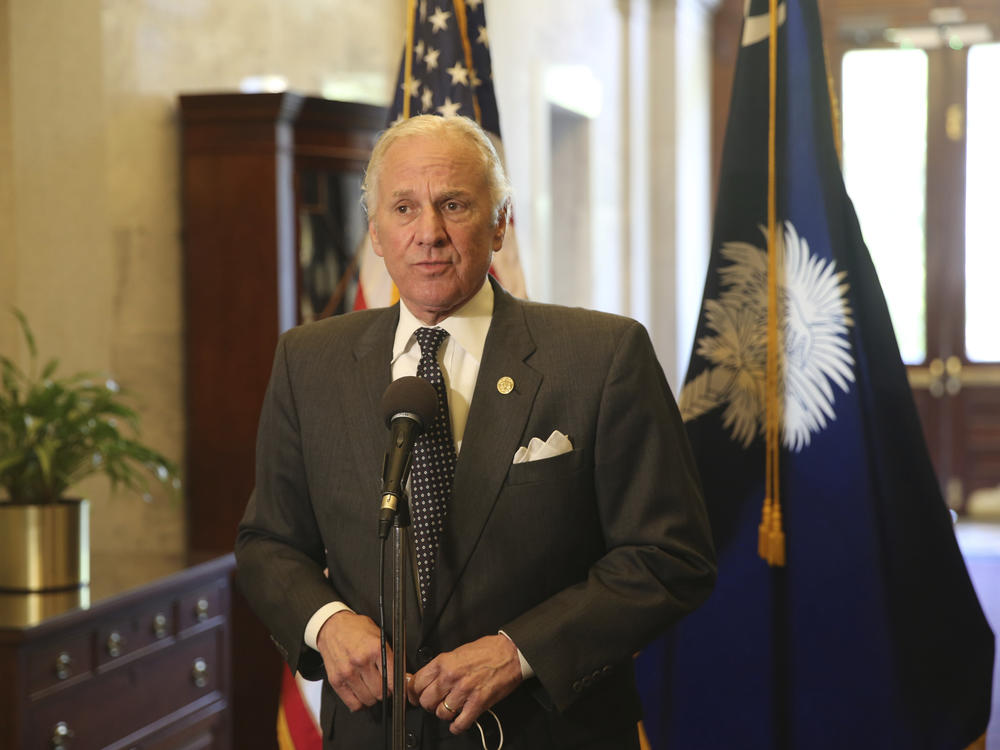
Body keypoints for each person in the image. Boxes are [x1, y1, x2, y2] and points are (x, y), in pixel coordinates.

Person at [235, 114, 716, 749]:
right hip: (376, 732)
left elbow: (669, 556)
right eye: (403, 208)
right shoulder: (309, 362)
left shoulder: (601, 356)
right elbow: (269, 541)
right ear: (375, 232)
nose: (427, 233)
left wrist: (519, 651)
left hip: (545, 731)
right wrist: (325, 623)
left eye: (453, 204)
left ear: (498, 223)